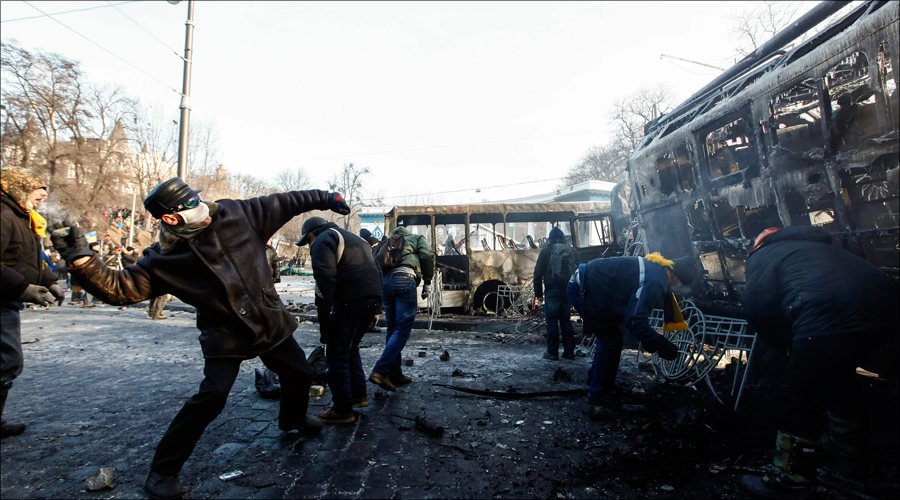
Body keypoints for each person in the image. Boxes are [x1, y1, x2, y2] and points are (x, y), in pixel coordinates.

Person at [55, 177, 351, 499]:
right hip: (224, 334)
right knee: (211, 397)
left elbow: (288, 201)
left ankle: (292, 420)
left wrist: (328, 197)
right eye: (191, 205)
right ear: (171, 218)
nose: (201, 206)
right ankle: (162, 473)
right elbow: (119, 288)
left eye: (198, 198)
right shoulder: (162, 261)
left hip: (269, 321)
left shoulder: (238, 214)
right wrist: (81, 260)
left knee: (301, 373)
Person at [739, 226, 899, 499]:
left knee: (799, 395)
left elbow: (758, 307)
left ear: (757, 244)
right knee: (839, 381)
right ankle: (853, 461)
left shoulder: (763, 256)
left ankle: (791, 478)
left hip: (824, 319)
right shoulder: (826, 250)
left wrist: (785, 345)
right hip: (884, 318)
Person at [566, 253, 691, 420]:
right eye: (681, 283)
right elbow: (635, 321)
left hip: (584, 282)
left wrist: (651, 341)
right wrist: (661, 344)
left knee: (610, 338)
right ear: (675, 275)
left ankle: (596, 382)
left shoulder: (657, 270)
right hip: (584, 287)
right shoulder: (656, 280)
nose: (678, 288)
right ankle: (598, 398)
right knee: (610, 339)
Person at [297, 216, 382, 424]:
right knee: (350, 348)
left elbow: (324, 279)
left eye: (307, 240)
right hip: (372, 298)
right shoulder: (357, 240)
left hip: (350, 300)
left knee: (336, 353)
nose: (309, 244)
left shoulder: (322, 240)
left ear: (311, 233)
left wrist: (325, 321)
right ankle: (358, 396)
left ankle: (342, 409)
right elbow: (377, 270)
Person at [1, 168, 64, 439]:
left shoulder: (22, 216)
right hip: (2, 299)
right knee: (7, 361)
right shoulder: (4, 216)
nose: (43, 193)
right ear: (18, 188)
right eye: (37, 187)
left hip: (7, 298)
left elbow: (29, 257)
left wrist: (50, 280)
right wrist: (22, 287)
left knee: (6, 362)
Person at [368, 224, 434, 392]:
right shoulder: (416, 238)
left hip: (386, 284)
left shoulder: (386, 242)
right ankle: (380, 370)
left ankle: (395, 374)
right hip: (404, 280)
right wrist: (427, 281)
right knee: (402, 330)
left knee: (392, 329)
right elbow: (426, 254)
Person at [533, 226, 579, 360]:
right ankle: (569, 351)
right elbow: (579, 272)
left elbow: (538, 273)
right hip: (568, 290)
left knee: (552, 320)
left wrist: (539, 293)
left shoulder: (546, 251)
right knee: (565, 320)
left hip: (552, 289)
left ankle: (552, 352)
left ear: (550, 239)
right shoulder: (572, 251)